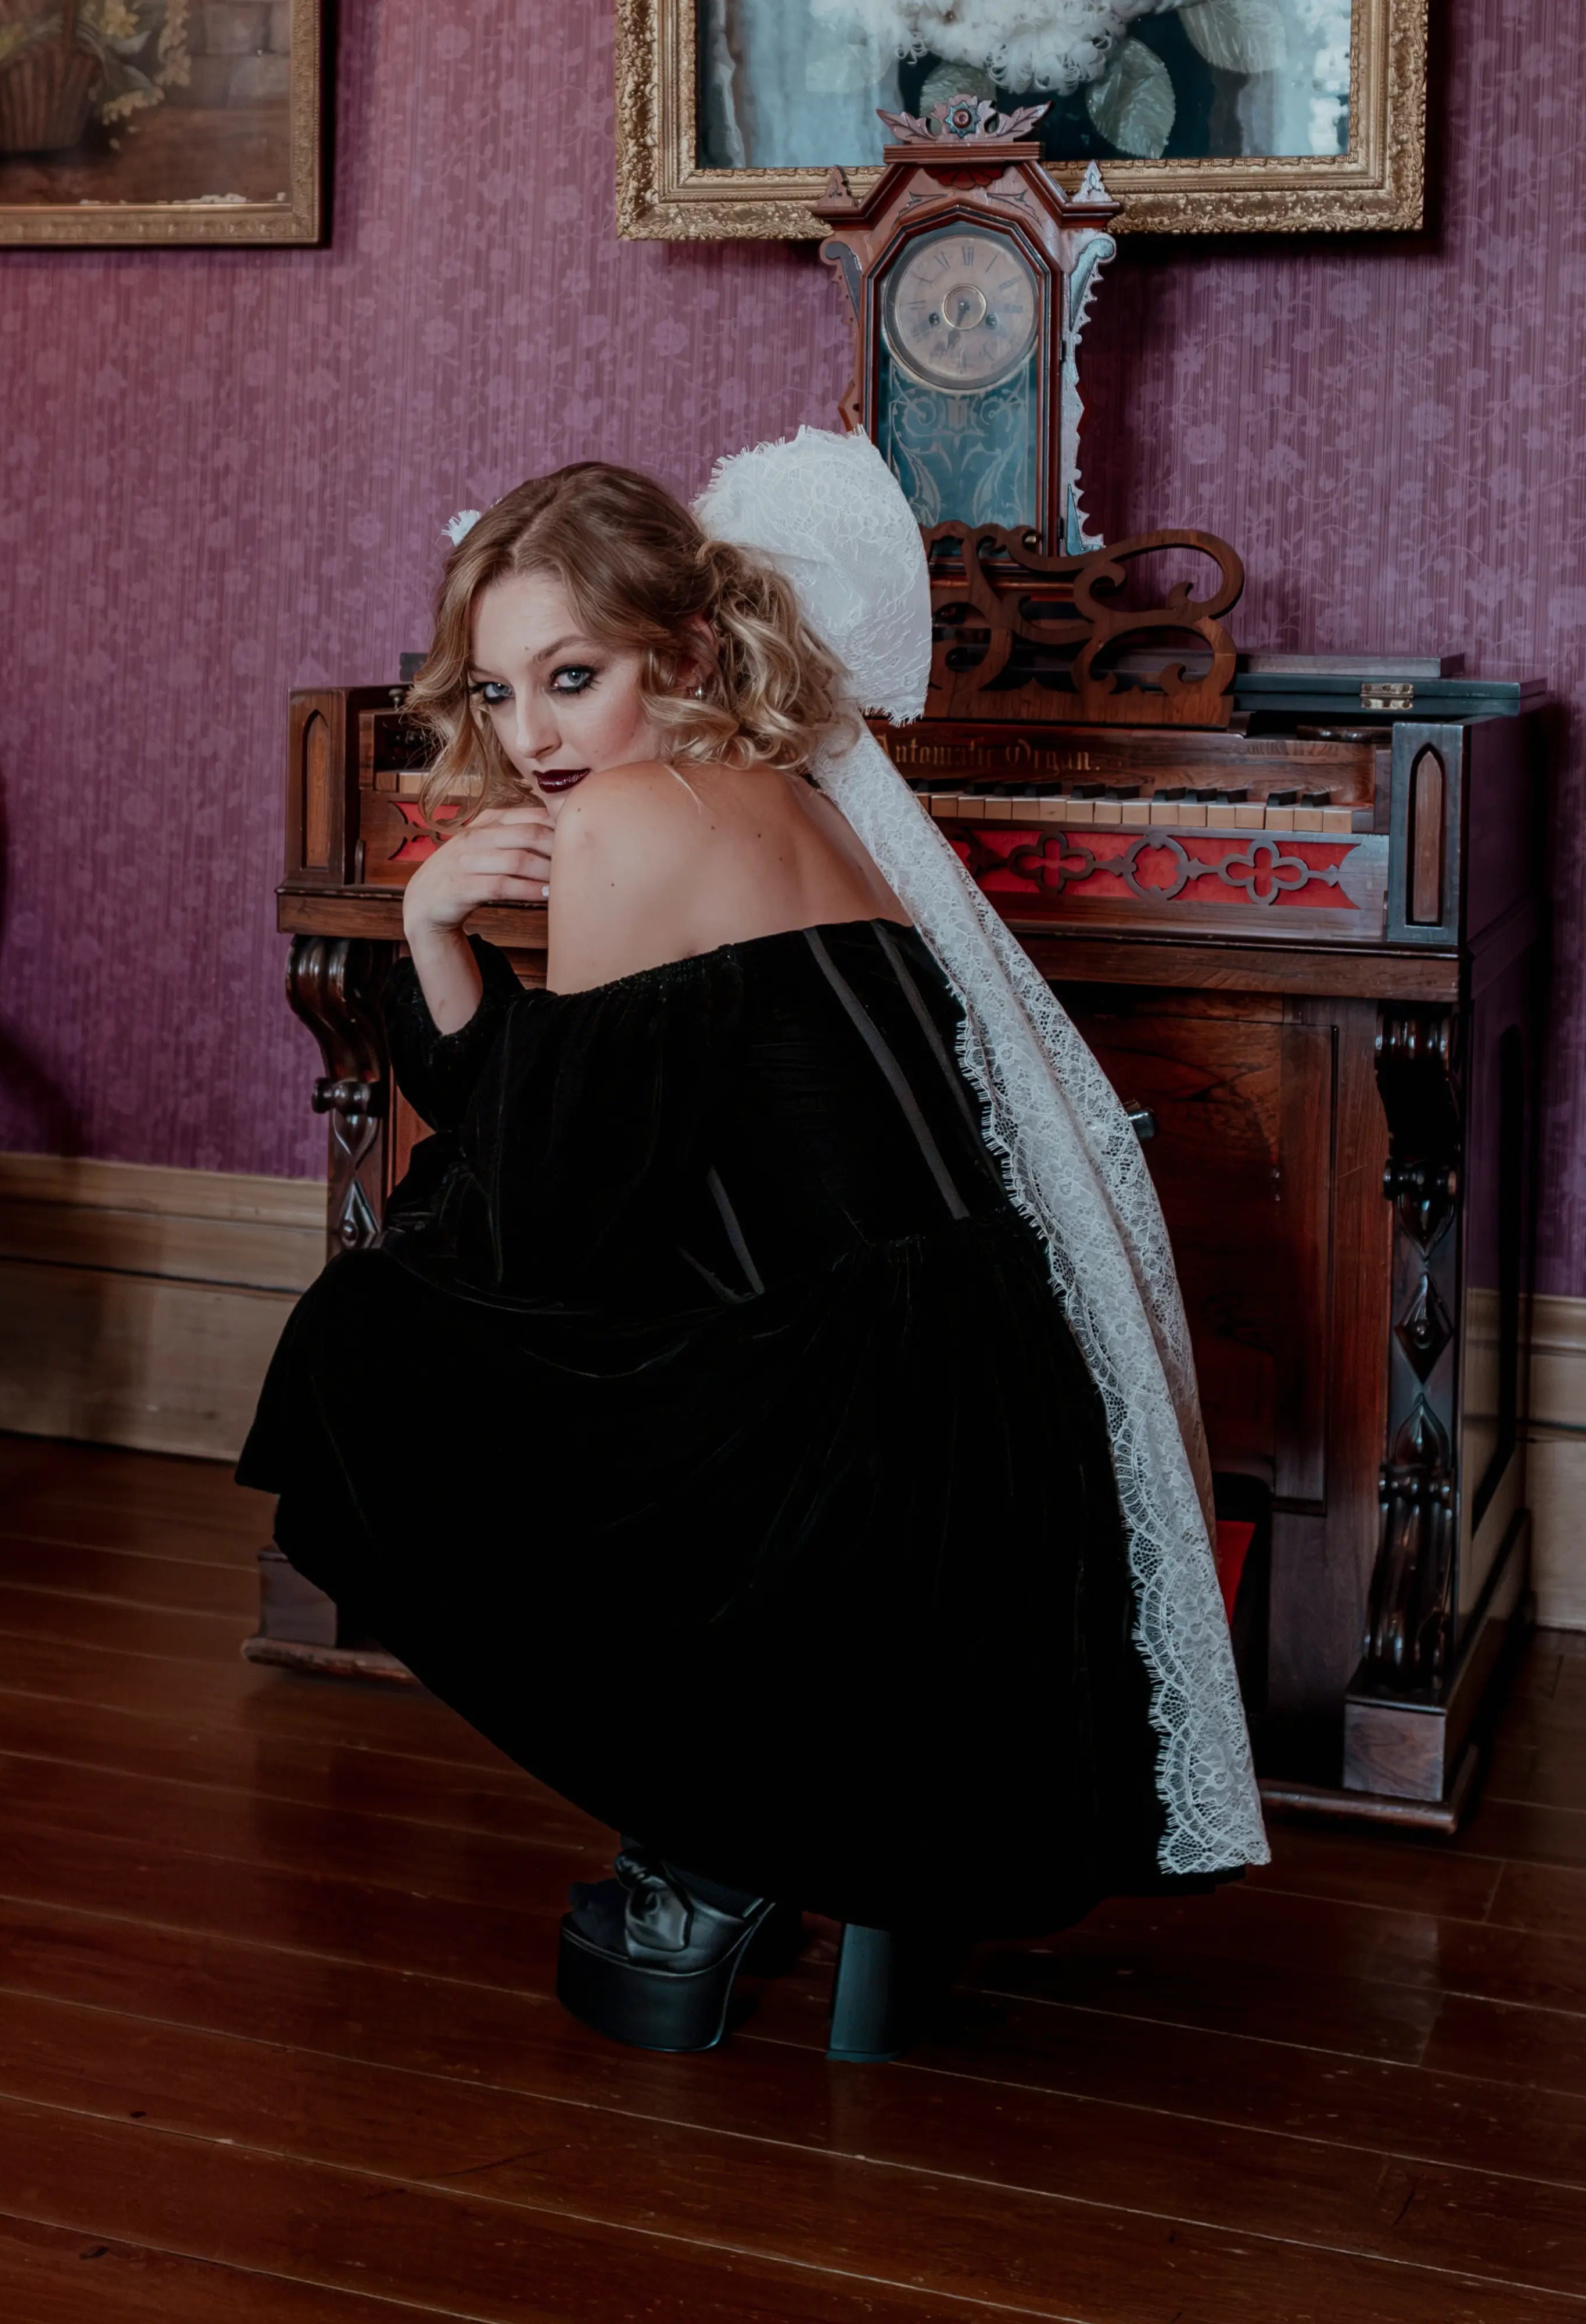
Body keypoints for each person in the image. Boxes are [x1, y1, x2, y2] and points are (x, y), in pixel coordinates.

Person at [238, 428, 1266, 2058]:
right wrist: (451, 953)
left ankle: (712, 1825)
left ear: (689, 650)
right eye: (498, 695)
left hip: (879, 1475)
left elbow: (549, 1222)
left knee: (372, 1345)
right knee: (513, 1312)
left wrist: (433, 930)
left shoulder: (632, 821)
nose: (535, 738)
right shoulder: (792, 793)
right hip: (988, 1431)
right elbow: (600, 1157)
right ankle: (726, 1822)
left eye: (572, 678)